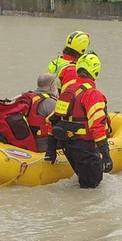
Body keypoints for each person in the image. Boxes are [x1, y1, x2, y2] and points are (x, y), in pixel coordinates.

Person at [47, 53, 112, 188]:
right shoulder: (93, 94)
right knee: (92, 186)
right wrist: (106, 155)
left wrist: (51, 150)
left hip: (67, 145)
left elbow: (53, 119)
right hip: (84, 147)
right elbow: (97, 127)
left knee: (83, 183)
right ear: (95, 71)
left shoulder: (68, 91)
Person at [0, 73, 57, 152]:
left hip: (31, 140)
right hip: (44, 143)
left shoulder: (28, 97)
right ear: (51, 86)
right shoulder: (50, 102)